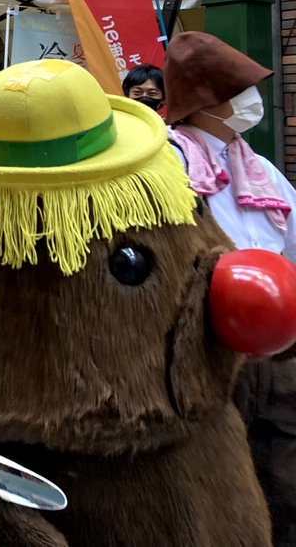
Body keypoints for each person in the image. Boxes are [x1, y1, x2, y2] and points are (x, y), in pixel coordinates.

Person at [164, 32, 296, 545]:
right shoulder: (169, 166)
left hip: (278, 351)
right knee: (218, 484)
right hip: (207, 353)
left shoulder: (258, 168)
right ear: (207, 99)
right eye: (240, 89)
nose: (252, 100)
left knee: (284, 476)